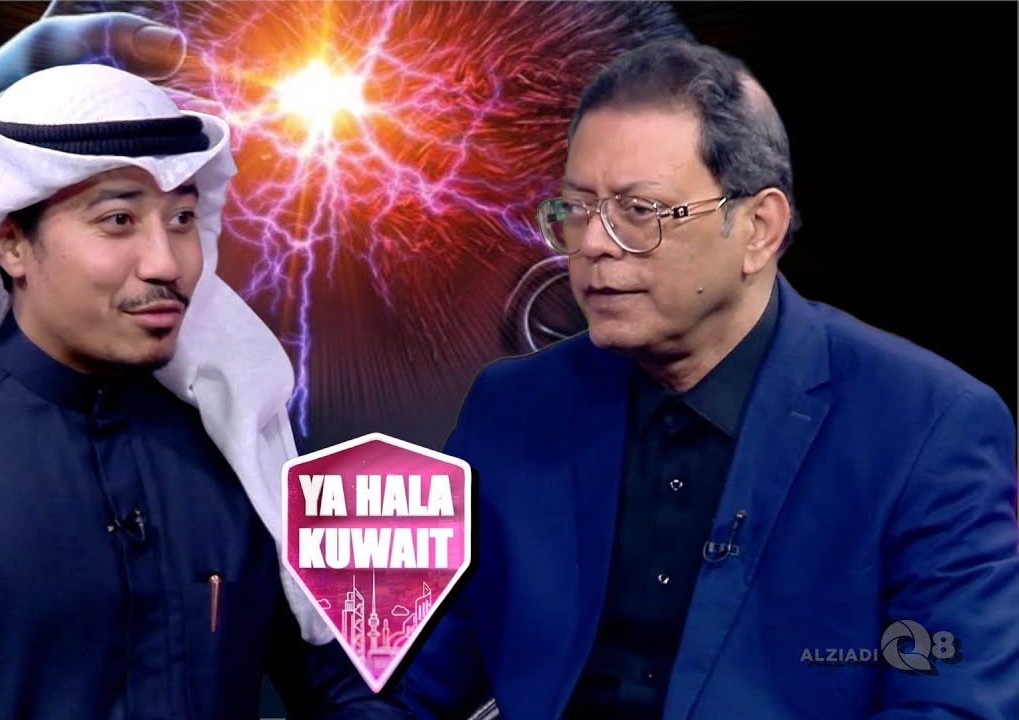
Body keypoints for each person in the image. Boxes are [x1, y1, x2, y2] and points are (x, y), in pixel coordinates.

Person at [396, 38, 1019, 720]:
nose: (594, 245)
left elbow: (952, 706)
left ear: (758, 228)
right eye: (576, 210)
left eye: (640, 212)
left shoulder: (928, 429)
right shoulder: (510, 408)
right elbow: (399, 678)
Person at [0, 63, 408, 720]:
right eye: (118, 220)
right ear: (11, 244)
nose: (166, 263)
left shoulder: (240, 443)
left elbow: (345, 685)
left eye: (182, 218)